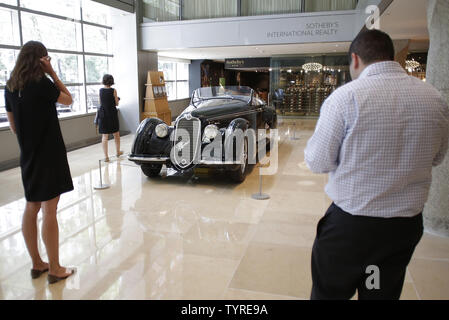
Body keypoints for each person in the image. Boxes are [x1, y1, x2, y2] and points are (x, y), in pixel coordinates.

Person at [304, 30, 449, 300]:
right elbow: (438, 157)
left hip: (351, 227)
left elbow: (318, 161)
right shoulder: (435, 99)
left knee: (329, 294)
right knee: (379, 293)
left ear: (355, 59)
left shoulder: (346, 98)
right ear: (390, 56)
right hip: (402, 228)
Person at [5, 41, 76, 284]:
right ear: (40, 59)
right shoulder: (41, 82)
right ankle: (55, 268)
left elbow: (14, 127)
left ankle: (37, 263)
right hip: (49, 153)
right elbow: (68, 99)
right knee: (49, 210)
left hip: (28, 155)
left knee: (32, 206)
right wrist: (53, 73)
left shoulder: (10, 86)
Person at [97, 74, 122, 162]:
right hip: (112, 114)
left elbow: (100, 103)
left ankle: (106, 157)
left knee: (104, 136)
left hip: (103, 115)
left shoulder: (100, 90)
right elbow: (116, 103)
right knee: (116, 134)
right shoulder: (113, 90)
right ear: (111, 81)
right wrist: (117, 99)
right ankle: (118, 152)